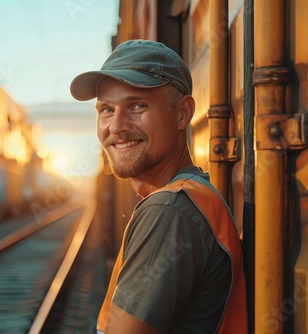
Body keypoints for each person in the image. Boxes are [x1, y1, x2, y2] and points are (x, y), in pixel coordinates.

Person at [70, 39, 247, 334]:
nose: (116, 127)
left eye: (137, 106)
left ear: (182, 113)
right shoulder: (192, 196)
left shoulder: (169, 209)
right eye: (106, 110)